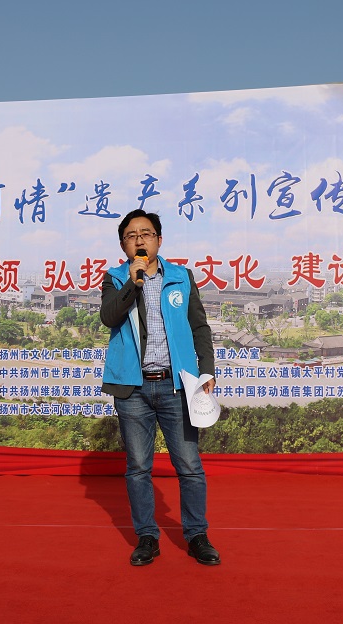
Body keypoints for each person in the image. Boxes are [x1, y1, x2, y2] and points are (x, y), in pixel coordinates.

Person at [100, 208, 220, 566]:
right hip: (133, 389)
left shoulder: (182, 277)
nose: (139, 240)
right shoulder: (115, 278)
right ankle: (147, 537)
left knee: (189, 465)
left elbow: (199, 327)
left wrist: (207, 369)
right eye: (131, 236)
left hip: (177, 386)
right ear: (123, 245)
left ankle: (197, 535)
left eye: (146, 234)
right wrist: (132, 283)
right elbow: (109, 316)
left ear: (159, 240)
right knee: (138, 467)